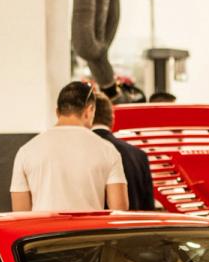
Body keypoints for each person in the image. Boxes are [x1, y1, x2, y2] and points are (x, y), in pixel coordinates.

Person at [10, 82, 127, 212]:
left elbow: (21, 214)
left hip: (44, 226)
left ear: (57, 112)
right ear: (89, 110)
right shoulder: (108, 150)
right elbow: (119, 209)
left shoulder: (26, 151)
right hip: (89, 226)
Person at [92, 94, 155, 210]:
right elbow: (149, 208)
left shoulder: (84, 151)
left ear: (87, 115)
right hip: (136, 221)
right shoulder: (139, 155)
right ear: (112, 119)